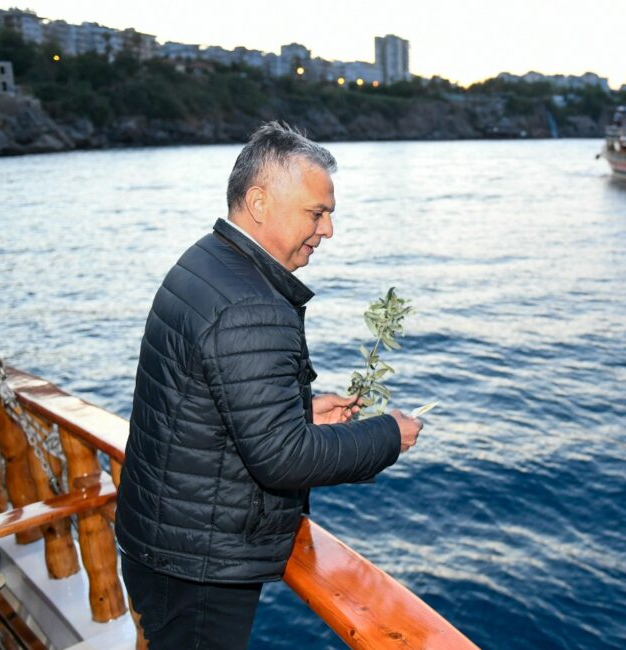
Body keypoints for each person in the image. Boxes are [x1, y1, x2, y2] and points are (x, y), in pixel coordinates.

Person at [114, 121, 423, 649]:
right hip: (199, 565)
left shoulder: (206, 262)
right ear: (259, 203)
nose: (327, 231)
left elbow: (202, 399)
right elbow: (284, 459)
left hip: (167, 544)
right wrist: (389, 436)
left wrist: (298, 408)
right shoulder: (252, 305)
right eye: (316, 213)